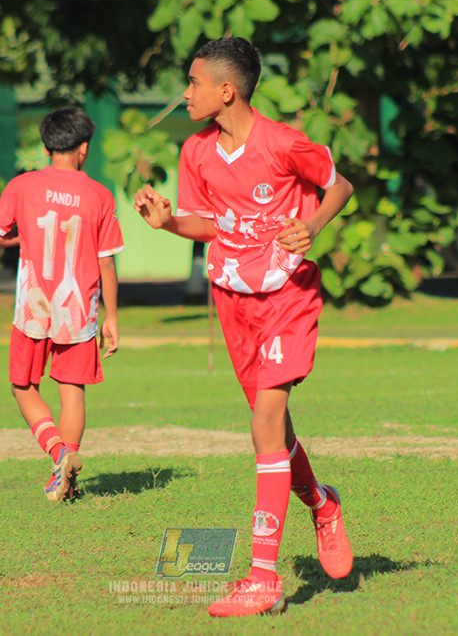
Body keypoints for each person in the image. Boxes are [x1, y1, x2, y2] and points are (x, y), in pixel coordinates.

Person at [133, 37, 356, 617]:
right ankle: (322, 503)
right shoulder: (195, 153)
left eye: (194, 82)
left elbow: (340, 185)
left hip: (288, 292)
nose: (186, 92)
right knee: (273, 428)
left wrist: (310, 225)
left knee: (264, 421)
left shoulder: (284, 142)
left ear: (226, 90)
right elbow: (211, 227)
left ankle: (262, 578)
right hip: (232, 298)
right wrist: (167, 224)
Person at [0, 107, 123, 503]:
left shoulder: (22, 185)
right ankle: (66, 470)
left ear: (46, 147)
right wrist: (111, 316)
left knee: (23, 385)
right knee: (72, 392)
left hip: (33, 304)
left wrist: (20, 239)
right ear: (84, 148)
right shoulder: (99, 194)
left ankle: (59, 455)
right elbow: (106, 261)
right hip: (77, 305)